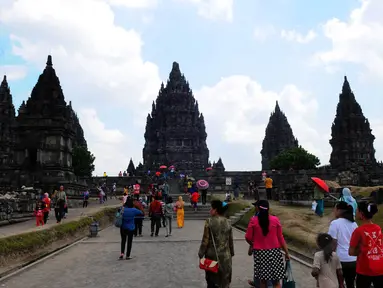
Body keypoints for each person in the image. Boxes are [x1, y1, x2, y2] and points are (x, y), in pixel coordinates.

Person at [245, 200, 289, 288]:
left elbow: (248, 237)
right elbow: (280, 237)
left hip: (260, 253)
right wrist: (286, 252)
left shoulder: (253, 220)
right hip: (274, 252)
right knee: (276, 281)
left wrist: (253, 244)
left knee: (263, 281)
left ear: (258, 208)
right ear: (268, 209)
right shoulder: (275, 220)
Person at [198, 200, 234, 288]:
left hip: (212, 256)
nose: (210, 210)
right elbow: (230, 240)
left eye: (212, 209)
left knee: (212, 280)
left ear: (216, 210)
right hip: (226, 256)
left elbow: (205, 240)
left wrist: (201, 253)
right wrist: (231, 252)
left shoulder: (209, 221)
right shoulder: (228, 222)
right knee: (224, 280)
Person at [349, 201, 383, 287]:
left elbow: (351, 252)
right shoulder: (378, 228)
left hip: (364, 269)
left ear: (361, 213)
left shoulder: (358, 231)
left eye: (357, 210)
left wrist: (361, 250)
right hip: (379, 267)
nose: (356, 212)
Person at [328, 201, 357, 288]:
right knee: (350, 284)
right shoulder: (354, 224)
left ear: (340, 210)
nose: (334, 211)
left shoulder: (335, 223)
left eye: (335, 209)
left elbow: (333, 244)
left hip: (340, 260)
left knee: (338, 284)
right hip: (353, 260)